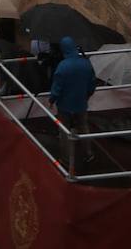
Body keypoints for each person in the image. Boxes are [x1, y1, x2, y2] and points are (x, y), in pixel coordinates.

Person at [49, 36, 98, 171]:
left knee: (64, 131)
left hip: (64, 105)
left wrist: (52, 99)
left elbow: (57, 87)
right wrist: (87, 96)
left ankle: (66, 160)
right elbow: (92, 84)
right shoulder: (86, 64)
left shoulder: (62, 66)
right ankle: (88, 153)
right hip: (81, 103)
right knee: (83, 127)